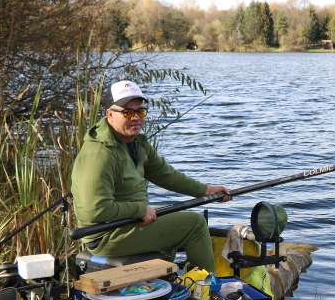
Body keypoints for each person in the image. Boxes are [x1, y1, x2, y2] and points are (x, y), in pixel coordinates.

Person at [71, 80, 229, 272]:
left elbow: (165, 175)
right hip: (106, 237)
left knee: (174, 219)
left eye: (140, 111)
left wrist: (205, 191)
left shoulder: (135, 142)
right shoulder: (99, 154)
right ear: (110, 114)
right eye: (128, 112)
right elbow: (94, 211)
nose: (136, 117)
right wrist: (139, 210)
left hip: (128, 225)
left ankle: (179, 283)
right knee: (194, 224)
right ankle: (205, 291)